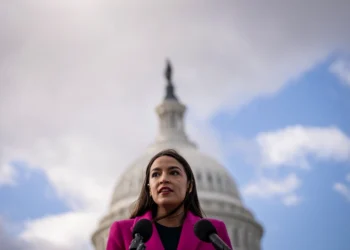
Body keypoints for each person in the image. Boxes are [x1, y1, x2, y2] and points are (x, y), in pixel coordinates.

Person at [106, 149, 233, 250]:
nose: (164, 179)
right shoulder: (122, 231)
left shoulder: (214, 232)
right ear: (149, 188)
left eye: (174, 173)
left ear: (189, 185)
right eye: (156, 174)